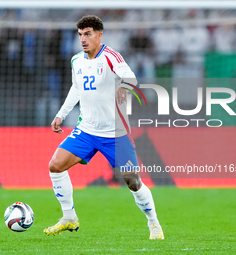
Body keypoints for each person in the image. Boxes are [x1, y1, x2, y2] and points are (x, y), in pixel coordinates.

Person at [43, 15, 164, 240]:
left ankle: (153, 223)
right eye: (80, 34)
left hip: (115, 133)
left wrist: (124, 88)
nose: (83, 39)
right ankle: (69, 217)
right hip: (86, 130)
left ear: (99, 35)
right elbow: (76, 89)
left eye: (87, 34)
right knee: (55, 165)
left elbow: (132, 78)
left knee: (133, 181)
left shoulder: (111, 56)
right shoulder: (76, 60)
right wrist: (61, 115)